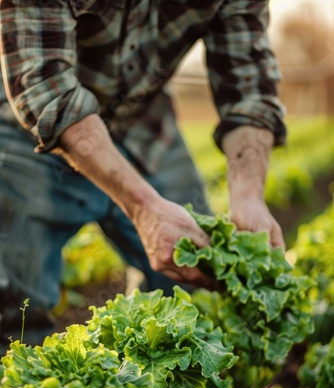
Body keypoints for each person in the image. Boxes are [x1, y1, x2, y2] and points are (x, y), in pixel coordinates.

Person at [0, 0, 286, 350]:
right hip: (26, 127)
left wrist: (248, 196)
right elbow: (44, 85)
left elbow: (252, 91)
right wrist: (143, 206)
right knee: (15, 312)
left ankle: (150, 387)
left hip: (144, 122)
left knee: (193, 277)